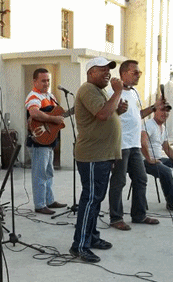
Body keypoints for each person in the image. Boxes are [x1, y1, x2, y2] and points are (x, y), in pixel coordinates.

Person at [69, 57, 124, 263]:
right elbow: (102, 115)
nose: (108, 74)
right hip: (92, 155)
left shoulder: (100, 90)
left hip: (103, 155)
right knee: (91, 199)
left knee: (96, 199)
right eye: (102, 70)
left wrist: (118, 107)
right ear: (91, 72)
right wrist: (118, 92)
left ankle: (91, 238)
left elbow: (106, 112)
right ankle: (79, 246)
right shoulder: (88, 89)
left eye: (109, 70)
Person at [107, 60, 161, 230]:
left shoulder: (135, 92)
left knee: (141, 178)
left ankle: (139, 215)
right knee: (119, 181)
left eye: (139, 73)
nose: (138, 75)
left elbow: (138, 115)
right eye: (135, 72)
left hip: (134, 144)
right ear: (123, 73)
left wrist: (153, 108)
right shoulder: (112, 92)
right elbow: (107, 116)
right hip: (120, 144)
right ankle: (116, 218)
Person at [25, 68, 67, 215]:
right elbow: (34, 112)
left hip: (48, 141)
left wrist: (57, 120)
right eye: (43, 80)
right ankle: (40, 204)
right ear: (35, 81)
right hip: (38, 142)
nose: (46, 83)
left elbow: (56, 115)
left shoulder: (49, 96)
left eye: (48, 80)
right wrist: (53, 119)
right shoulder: (34, 96)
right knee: (40, 173)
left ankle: (49, 200)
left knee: (49, 172)